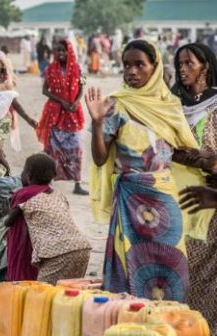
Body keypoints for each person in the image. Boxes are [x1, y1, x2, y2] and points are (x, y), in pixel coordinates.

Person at [87, 39, 213, 302]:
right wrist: (97, 124)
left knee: (171, 271)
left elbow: (180, 152)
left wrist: (208, 161)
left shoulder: (169, 105)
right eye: (126, 66)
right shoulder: (115, 106)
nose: (132, 71)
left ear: (154, 67)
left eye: (139, 65)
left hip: (166, 199)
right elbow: (100, 159)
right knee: (129, 270)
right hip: (130, 200)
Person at [171, 42, 217, 328]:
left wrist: (211, 163)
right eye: (180, 64)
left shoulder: (215, 104)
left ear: (206, 66)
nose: (183, 69)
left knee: (209, 275)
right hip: (181, 197)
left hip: (211, 199)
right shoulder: (173, 104)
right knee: (184, 268)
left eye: (189, 63)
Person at [4, 153, 91, 284]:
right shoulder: (58, 195)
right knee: (66, 293)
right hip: (81, 248)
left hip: (57, 253)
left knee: (41, 294)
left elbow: (8, 222)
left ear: (28, 175)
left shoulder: (25, 194)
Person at [37, 39, 88, 195]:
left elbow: (81, 88)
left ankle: (77, 184)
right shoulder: (50, 69)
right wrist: (61, 101)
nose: (60, 53)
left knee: (77, 148)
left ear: (69, 51)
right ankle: (47, 184)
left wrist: (76, 102)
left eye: (63, 50)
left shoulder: (78, 69)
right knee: (53, 149)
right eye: (57, 51)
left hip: (73, 113)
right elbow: (45, 90)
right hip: (55, 113)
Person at [0, 49, 38, 175]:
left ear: (2, 65)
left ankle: (0, 176)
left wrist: (28, 119)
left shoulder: (6, 84)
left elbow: (15, 103)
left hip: (2, 121)